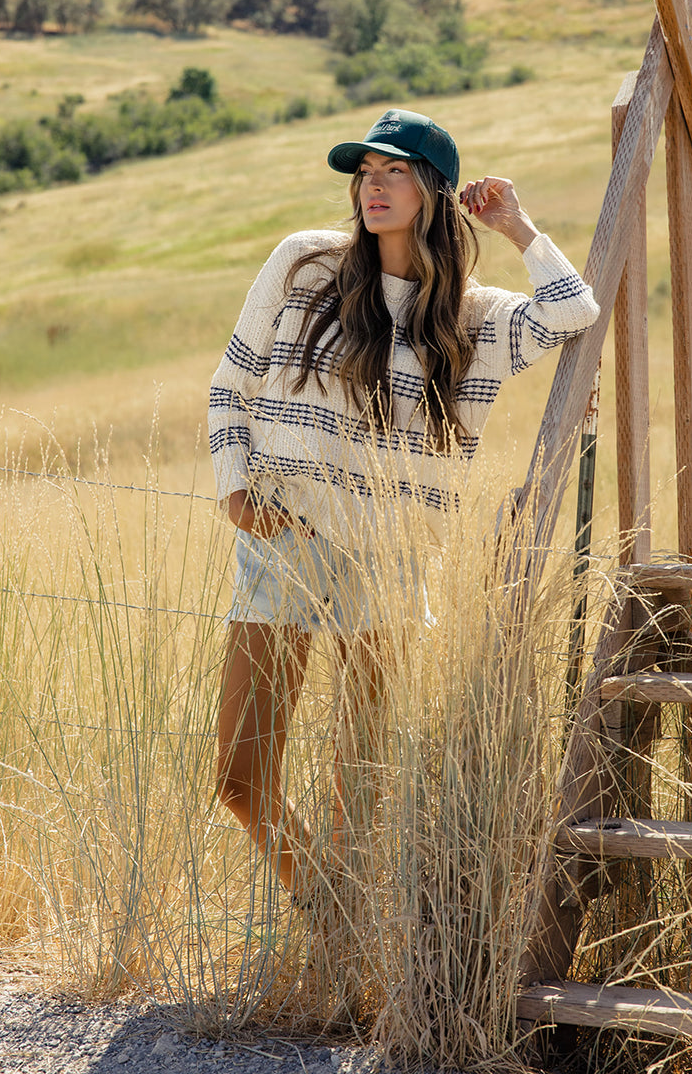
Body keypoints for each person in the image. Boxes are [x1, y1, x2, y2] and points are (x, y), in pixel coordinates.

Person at [209, 107, 599, 899]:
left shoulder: (472, 316)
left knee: (365, 791)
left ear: (433, 190)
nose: (374, 187)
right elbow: (232, 381)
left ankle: (342, 940)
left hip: (390, 560)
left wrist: (519, 225)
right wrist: (235, 491)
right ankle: (326, 908)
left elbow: (573, 312)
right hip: (284, 542)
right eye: (365, 173)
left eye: (394, 172)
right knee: (239, 782)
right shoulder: (304, 264)